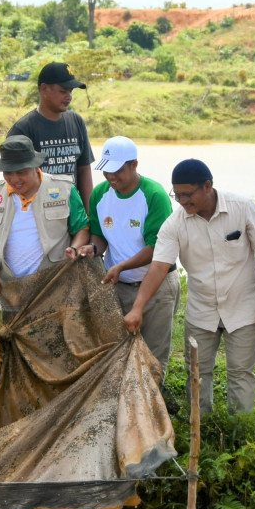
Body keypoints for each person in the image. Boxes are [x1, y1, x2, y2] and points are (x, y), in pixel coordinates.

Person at [125, 159, 255, 415]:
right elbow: (158, 267)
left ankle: (240, 432)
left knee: (241, 373)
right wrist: (137, 308)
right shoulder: (174, 224)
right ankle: (201, 427)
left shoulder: (242, 207)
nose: (182, 201)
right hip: (202, 310)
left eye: (187, 194)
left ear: (207, 186)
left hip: (242, 306)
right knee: (197, 372)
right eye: (177, 195)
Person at [87, 136, 180, 380]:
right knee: (118, 352)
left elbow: (157, 248)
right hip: (119, 287)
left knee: (153, 355)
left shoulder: (154, 195)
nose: (111, 177)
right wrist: (92, 250)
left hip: (157, 287)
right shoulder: (99, 195)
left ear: (134, 165)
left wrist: (122, 265)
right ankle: (125, 410)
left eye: (117, 171)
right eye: (106, 171)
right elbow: (99, 236)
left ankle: (151, 413)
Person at [0, 135, 90, 295]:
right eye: (8, 173)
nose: (14, 179)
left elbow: (82, 229)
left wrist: (73, 249)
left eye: (21, 172)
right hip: (9, 289)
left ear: (36, 166)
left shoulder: (64, 189)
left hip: (55, 285)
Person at [8, 62, 96, 209]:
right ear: (44, 89)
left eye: (71, 92)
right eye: (63, 91)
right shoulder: (23, 129)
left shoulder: (76, 122)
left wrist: (89, 214)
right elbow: (14, 180)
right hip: (38, 214)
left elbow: (84, 169)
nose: (69, 97)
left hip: (72, 213)